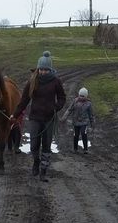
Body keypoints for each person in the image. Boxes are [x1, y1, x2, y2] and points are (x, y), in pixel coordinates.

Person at [10, 51, 66, 182]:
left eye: (46, 70)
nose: (43, 72)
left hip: (49, 119)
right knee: (34, 145)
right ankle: (36, 161)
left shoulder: (56, 81)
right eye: (41, 69)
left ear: (50, 69)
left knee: (46, 146)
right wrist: (15, 114)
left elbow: (62, 97)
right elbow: (24, 100)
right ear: (38, 68)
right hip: (35, 118)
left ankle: (43, 171)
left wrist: (56, 107)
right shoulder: (32, 81)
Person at [63, 87, 94, 154]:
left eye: (83, 96)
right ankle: (75, 149)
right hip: (75, 121)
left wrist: (92, 124)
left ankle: (85, 149)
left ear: (86, 96)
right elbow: (69, 109)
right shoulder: (75, 101)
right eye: (80, 95)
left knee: (83, 133)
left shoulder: (88, 104)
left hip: (84, 122)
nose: (81, 97)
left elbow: (91, 115)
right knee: (76, 135)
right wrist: (64, 117)